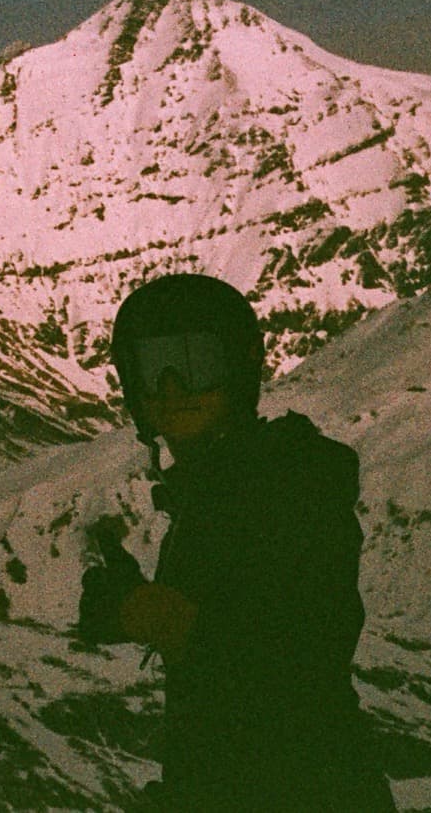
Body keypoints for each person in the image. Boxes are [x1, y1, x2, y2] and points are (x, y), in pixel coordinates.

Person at [78, 273, 395, 811]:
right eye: (156, 369)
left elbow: (309, 645)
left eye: (195, 363)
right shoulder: (216, 484)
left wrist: (160, 616)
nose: (175, 389)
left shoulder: (291, 477)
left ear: (237, 369)